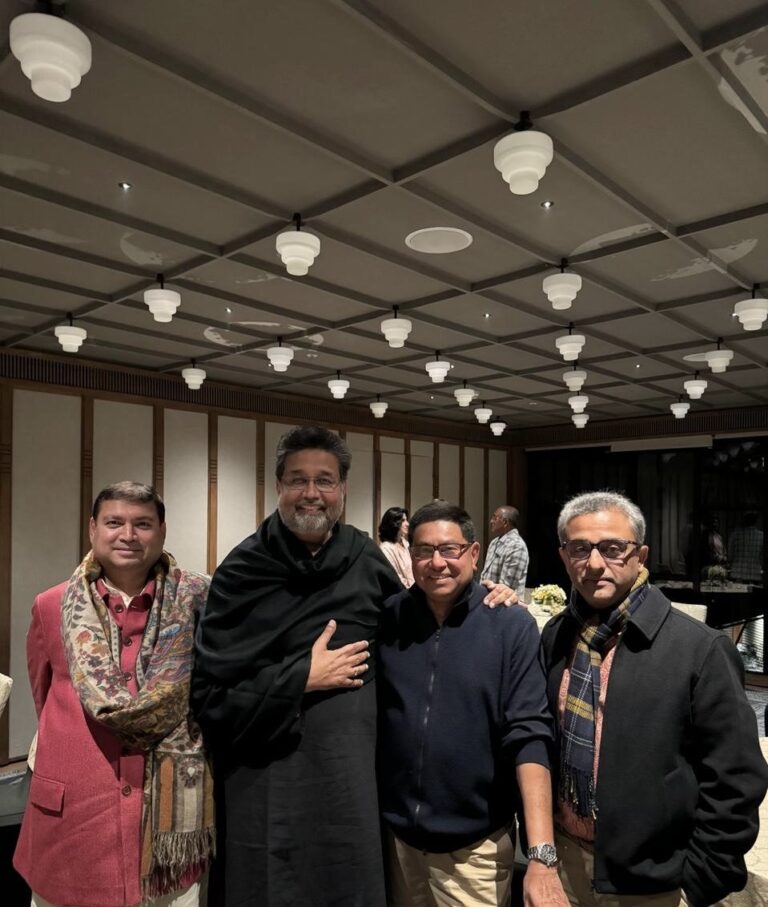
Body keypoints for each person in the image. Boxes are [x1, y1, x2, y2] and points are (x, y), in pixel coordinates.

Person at [191, 426, 515, 907]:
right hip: (266, 786)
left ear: (343, 489)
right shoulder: (242, 573)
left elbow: (422, 623)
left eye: (325, 480)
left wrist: (483, 597)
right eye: (297, 480)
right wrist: (301, 677)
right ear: (278, 486)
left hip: (351, 779)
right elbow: (210, 699)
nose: (311, 493)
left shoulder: (363, 560)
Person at [541, 490, 768, 907]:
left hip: (655, 880)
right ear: (563, 556)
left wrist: (698, 881)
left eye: (612, 549)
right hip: (566, 863)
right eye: (580, 549)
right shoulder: (557, 635)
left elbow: (736, 780)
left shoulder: (698, 648)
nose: (594, 564)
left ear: (640, 555)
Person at [14, 482, 214, 907]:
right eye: (114, 522)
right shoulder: (51, 606)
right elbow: (43, 693)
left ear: (162, 531)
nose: (128, 534)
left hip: (164, 841)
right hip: (73, 825)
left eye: (143, 524)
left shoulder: (199, 601)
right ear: (92, 529)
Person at [378, 501, 569, 907]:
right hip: (397, 843)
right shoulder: (390, 618)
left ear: (474, 553)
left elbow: (530, 734)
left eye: (450, 549)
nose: (437, 563)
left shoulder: (509, 625)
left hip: (474, 852)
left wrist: (541, 855)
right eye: (424, 551)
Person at [481, 505, 529, 597]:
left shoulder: (516, 546)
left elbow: (506, 587)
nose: (491, 521)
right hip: (487, 602)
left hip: (505, 606)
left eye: (495, 518)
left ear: (505, 522)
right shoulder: (494, 542)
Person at [378, 506, 414, 587]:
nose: (407, 524)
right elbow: (395, 577)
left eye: (406, 520)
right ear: (394, 523)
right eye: (403, 520)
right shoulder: (386, 548)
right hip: (402, 593)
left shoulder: (405, 543)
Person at [728, 512, 764, 583]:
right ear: (755, 521)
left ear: (744, 520)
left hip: (737, 574)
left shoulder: (735, 535)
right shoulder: (762, 536)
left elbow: (730, 555)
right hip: (755, 574)